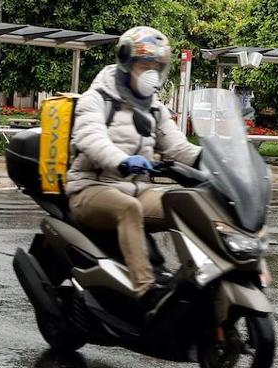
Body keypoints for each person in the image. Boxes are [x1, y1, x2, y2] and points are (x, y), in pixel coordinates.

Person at [68, 26, 201, 299]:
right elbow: (91, 138)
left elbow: (176, 146)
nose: (151, 71)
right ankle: (146, 291)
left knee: (187, 205)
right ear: (127, 63)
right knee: (128, 208)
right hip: (90, 189)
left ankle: (198, 280)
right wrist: (123, 161)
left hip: (136, 190)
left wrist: (208, 158)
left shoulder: (154, 107)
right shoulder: (96, 99)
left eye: (157, 65)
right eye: (145, 64)